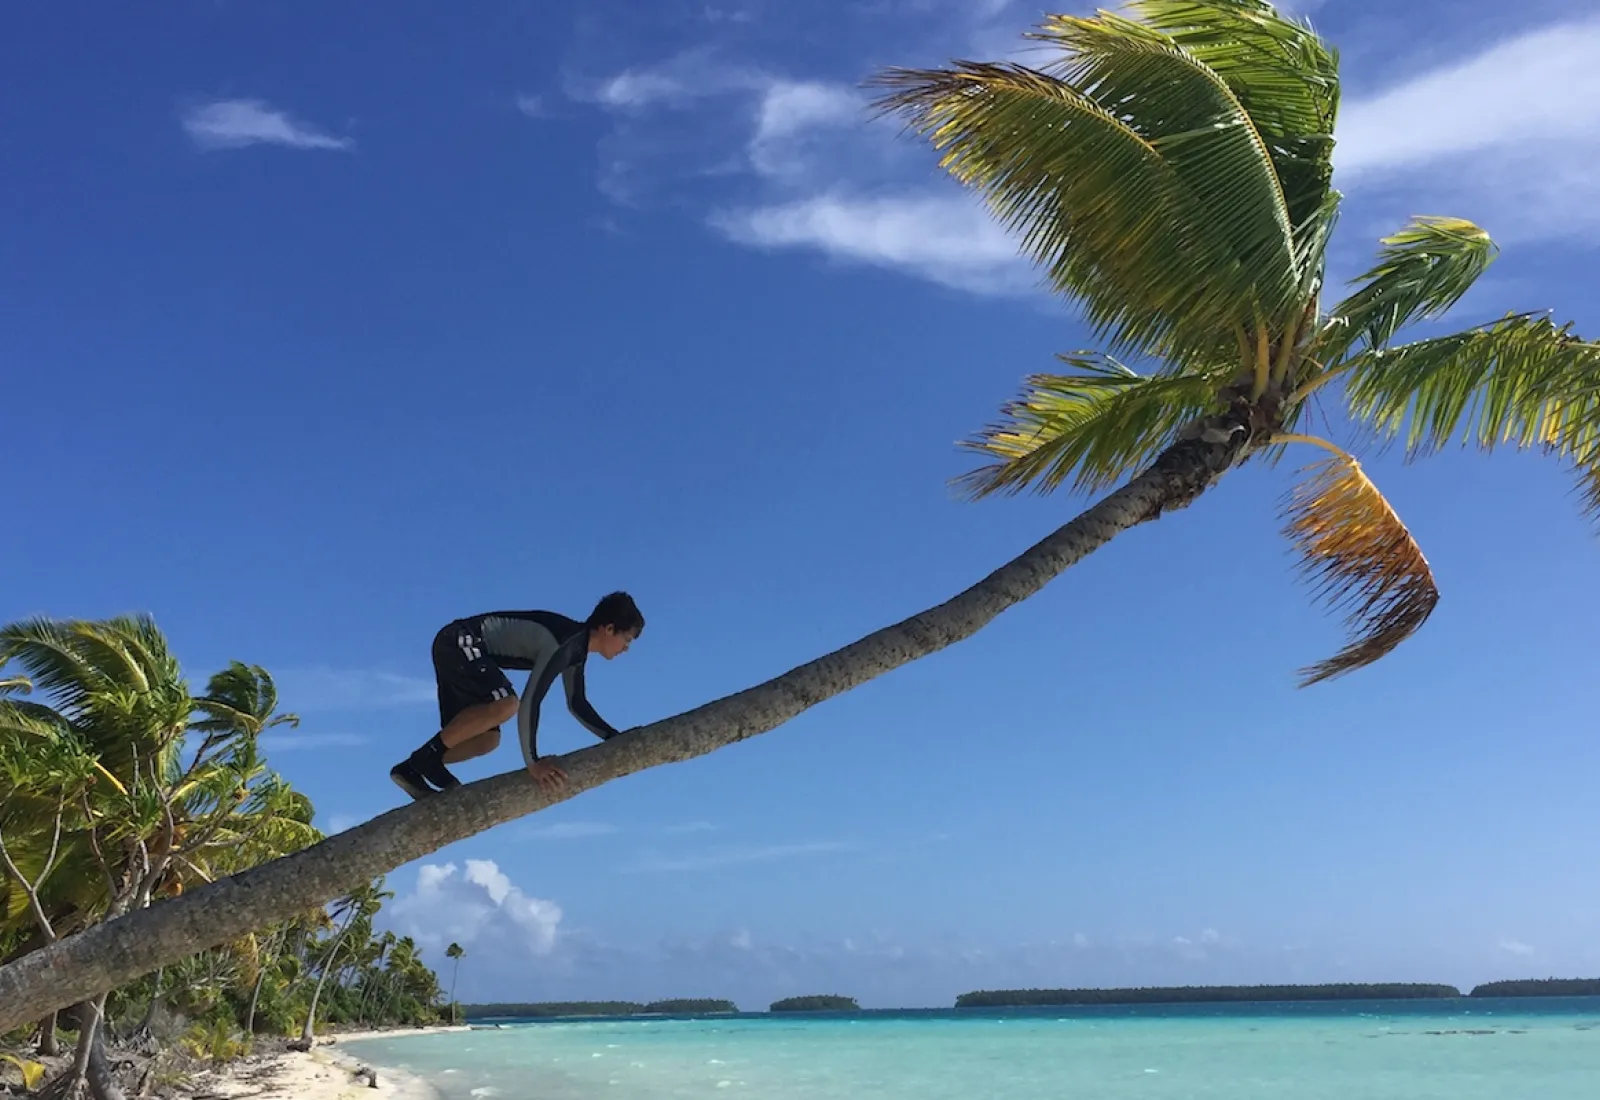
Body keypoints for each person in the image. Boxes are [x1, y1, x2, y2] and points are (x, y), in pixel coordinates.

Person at [390, 591, 644, 801]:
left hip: (461, 649)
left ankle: (413, 766)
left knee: (487, 741)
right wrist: (533, 762)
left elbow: (577, 703)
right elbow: (531, 701)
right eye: (627, 640)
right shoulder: (566, 642)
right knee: (507, 704)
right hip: (460, 641)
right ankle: (427, 759)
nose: (626, 649)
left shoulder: (575, 653)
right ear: (609, 629)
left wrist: (613, 738)